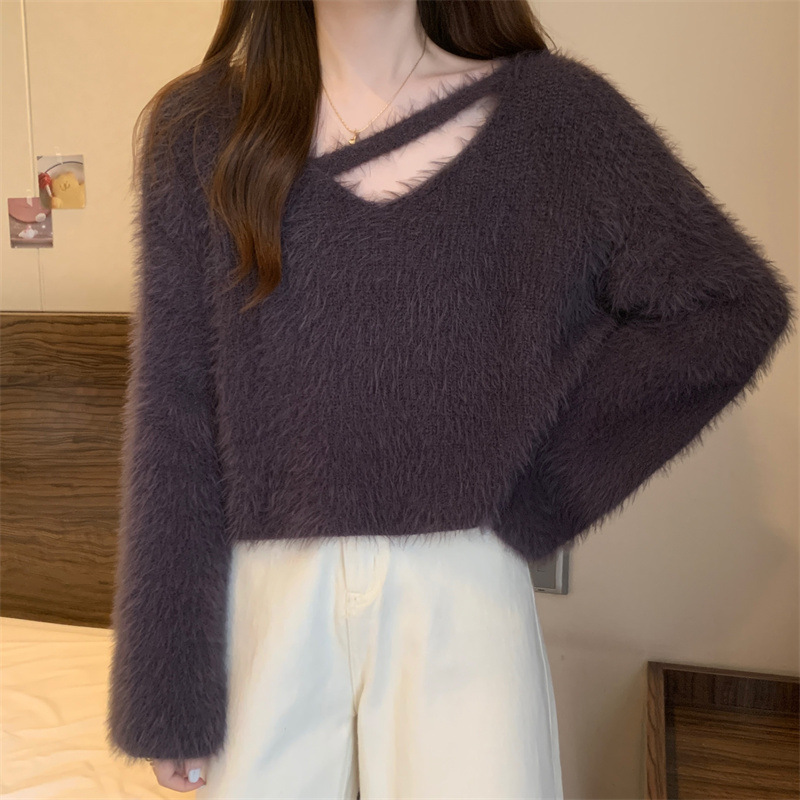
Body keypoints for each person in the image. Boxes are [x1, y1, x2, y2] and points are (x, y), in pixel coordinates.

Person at [106, 0, 795, 797]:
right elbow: (174, 412)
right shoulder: (199, 132)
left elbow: (726, 308)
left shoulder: (558, 120)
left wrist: (539, 489)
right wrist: (165, 688)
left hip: (463, 601)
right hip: (262, 605)